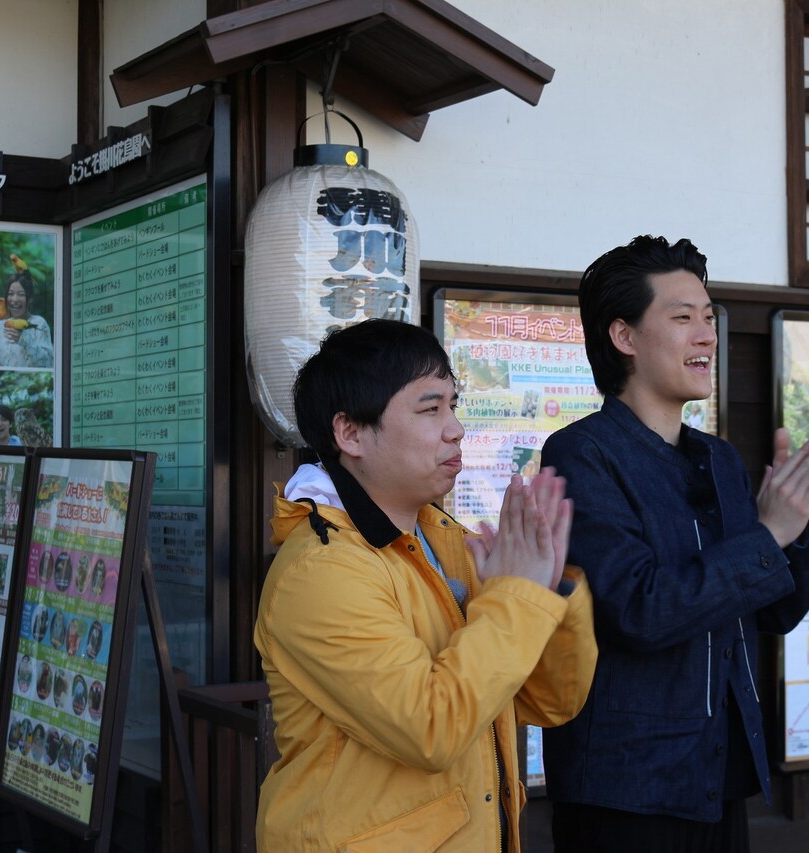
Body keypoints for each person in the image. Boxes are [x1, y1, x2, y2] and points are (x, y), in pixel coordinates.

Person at [541, 236, 809, 852]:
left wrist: (796, 522)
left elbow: (778, 612)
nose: (707, 335)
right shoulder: (581, 453)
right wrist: (768, 534)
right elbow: (639, 609)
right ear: (623, 336)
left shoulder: (719, 458)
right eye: (683, 318)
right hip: (625, 786)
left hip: (718, 770)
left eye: (709, 317)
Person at [254, 318, 598, 852]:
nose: (455, 428)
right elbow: (431, 729)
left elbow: (548, 702)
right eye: (429, 409)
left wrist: (548, 591)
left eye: (453, 406)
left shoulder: (448, 542)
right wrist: (518, 597)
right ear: (350, 434)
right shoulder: (320, 572)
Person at [0, 269, 54, 367]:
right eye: (10, 294)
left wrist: (24, 340)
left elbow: (49, 364)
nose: (15, 299)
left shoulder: (39, 324)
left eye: (21, 294)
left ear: (30, 299)